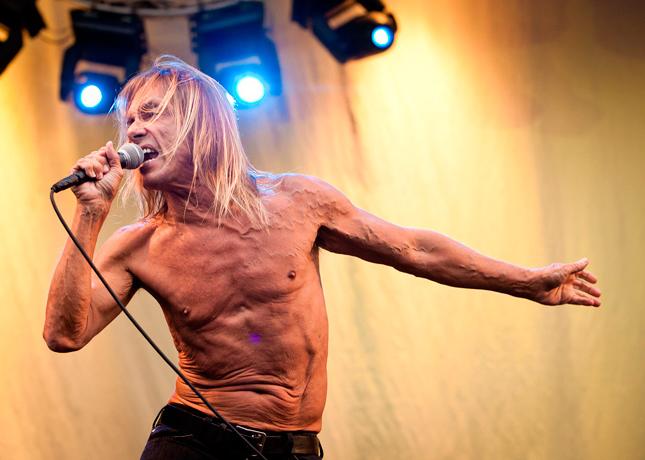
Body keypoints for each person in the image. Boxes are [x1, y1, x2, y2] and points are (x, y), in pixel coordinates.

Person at [44, 55, 601, 460]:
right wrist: (90, 214)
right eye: (130, 121)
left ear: (201, 121)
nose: (135, 129)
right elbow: (64, 335)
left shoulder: (298, 201)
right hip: (195, 441)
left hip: (296, 447)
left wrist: (525, 281)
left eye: (152, 113)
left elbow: (414, 248)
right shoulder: (138, 245)